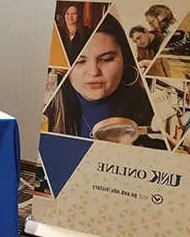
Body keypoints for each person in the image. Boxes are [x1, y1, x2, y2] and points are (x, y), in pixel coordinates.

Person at [44, 13, 165, 150]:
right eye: (80, 61)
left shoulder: (151, 112)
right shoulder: (47, 110)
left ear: (124, 60)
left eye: (106, 59)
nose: (94, 72)